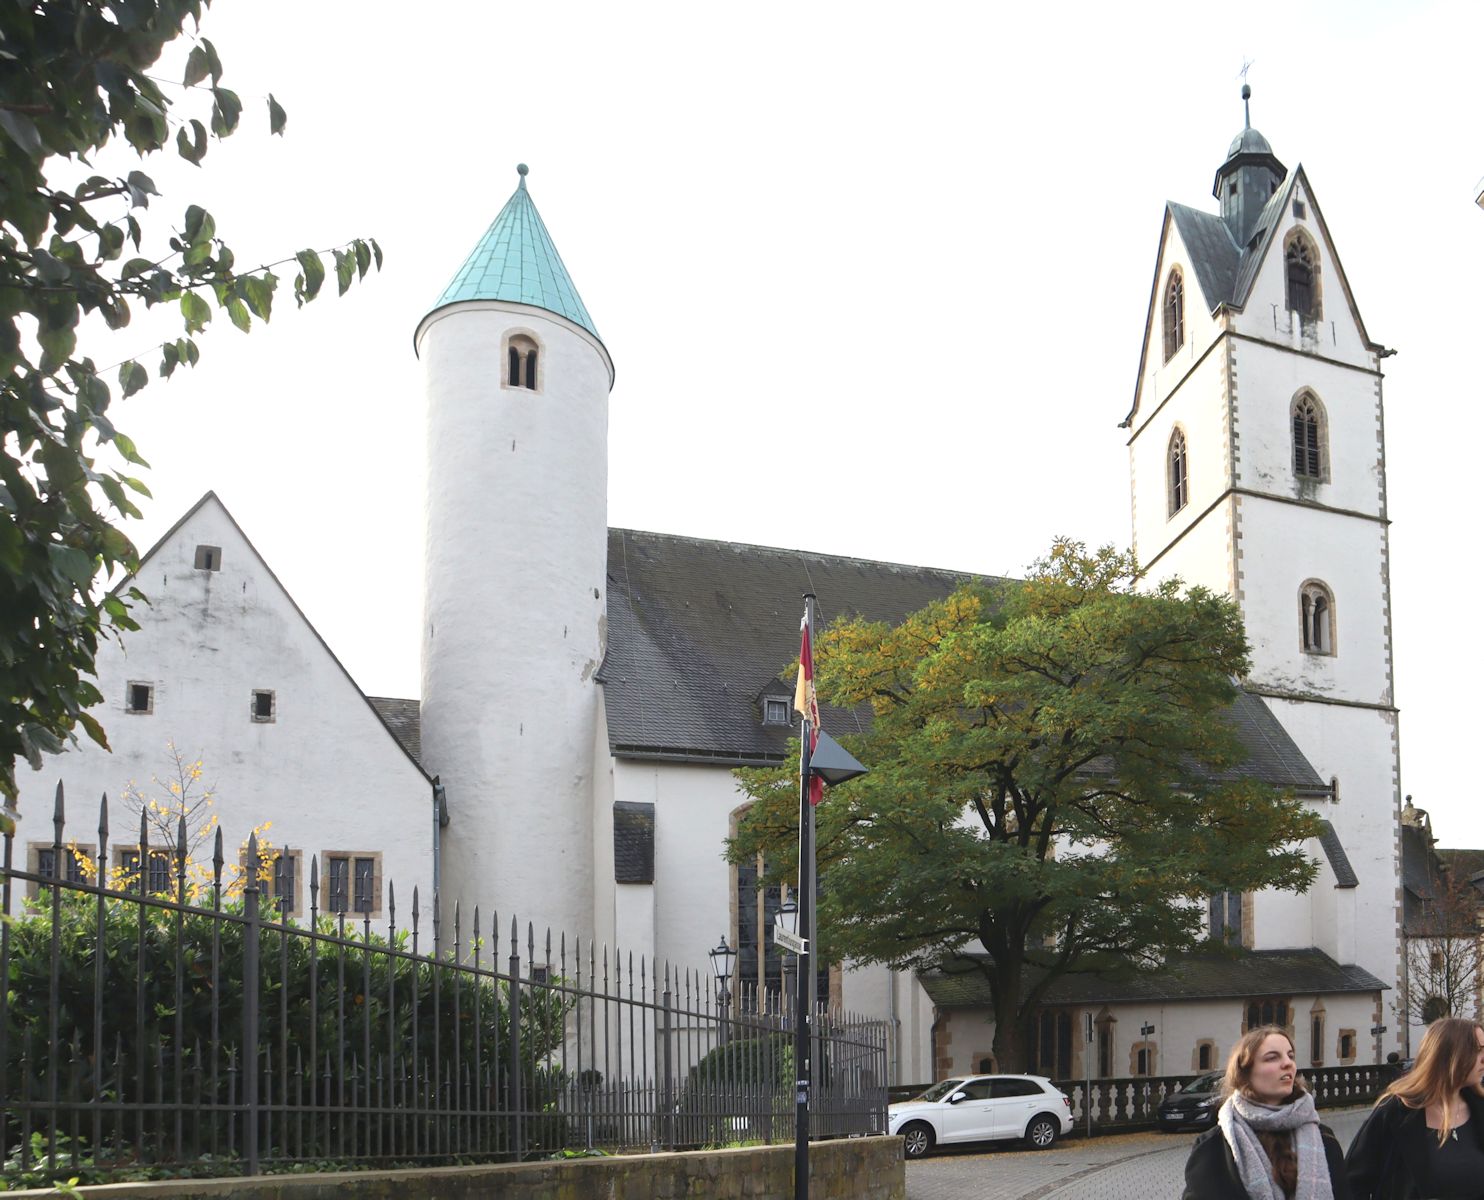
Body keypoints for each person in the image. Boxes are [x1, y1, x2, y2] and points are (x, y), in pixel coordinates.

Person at [1183, 1025, 1351, 1199]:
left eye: (1290, 1056)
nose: (1287, 1063)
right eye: (1272, 1058)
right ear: (1245, 1072)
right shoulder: (1214, 1147)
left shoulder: (1324, 1139)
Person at [1344, 1017, 1484, 1200]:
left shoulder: (1479, 1108)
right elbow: (1350, 1184)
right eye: (1478, 1050)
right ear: (1450, 1054)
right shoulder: (1395, 1112)